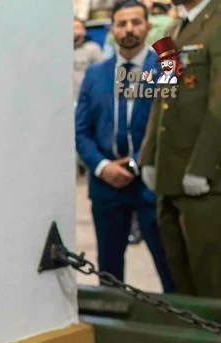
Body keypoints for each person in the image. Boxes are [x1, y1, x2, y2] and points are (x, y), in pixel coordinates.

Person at [75, 0, 174, 290]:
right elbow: (80, 130)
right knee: (109, 271)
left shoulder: (167, 68)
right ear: (112, 29)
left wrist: (140, 162)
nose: (129, 29)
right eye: (121, 23)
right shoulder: (95, 74)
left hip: (154, 183)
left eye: (135, 22)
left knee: (169, 266)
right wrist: (102, 167)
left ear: (147, 25)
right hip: (107, 185)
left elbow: (179, 126)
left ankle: (180, 328)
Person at [139, 0, 221, 296]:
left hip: (206, 181)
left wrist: (203, 166)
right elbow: (164, 97)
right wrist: (149, 156)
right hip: (171, 176)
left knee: (211, 280)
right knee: (181, 278)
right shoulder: (175, 30)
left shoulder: (217, 22)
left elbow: (219, 104)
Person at [74, 17, 106, 100]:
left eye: (76, 28)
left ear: (84, 31)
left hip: (83, 99)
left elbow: (102, 76)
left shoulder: (93, 49)